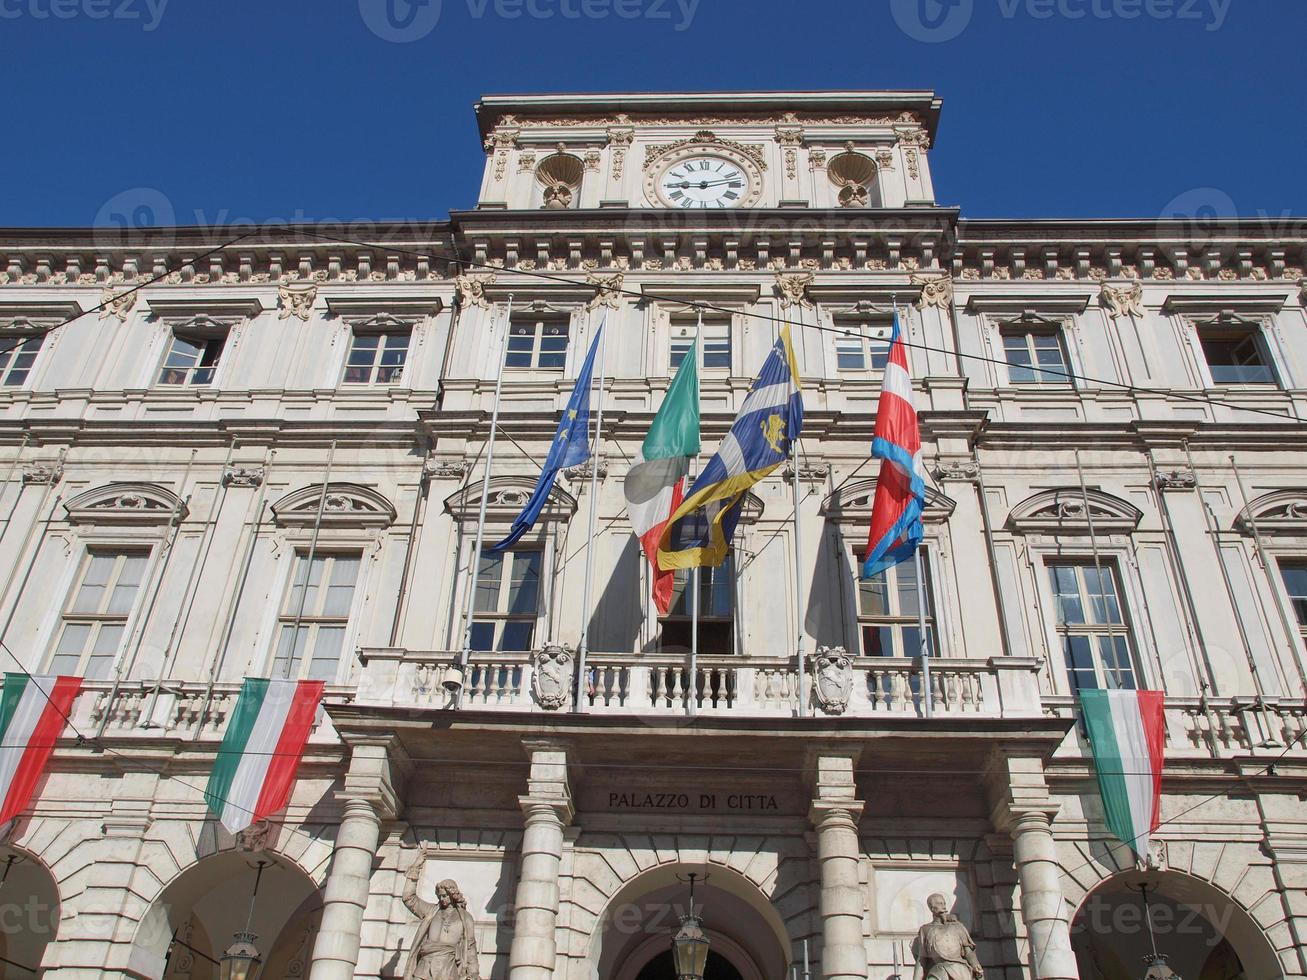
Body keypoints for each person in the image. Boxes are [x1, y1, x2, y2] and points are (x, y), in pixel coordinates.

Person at [402, 858, 481, 980]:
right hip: (425, 964)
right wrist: (415, 868)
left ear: (452, 894)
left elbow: (470, 946)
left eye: (445, 895)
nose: (442, 898)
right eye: (439, 896)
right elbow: (408, 898)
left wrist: (473, 973)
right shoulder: (431, 911)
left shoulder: (465, 918)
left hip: (448, 966)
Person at [912, 893, 983, 980]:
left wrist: (975, 965)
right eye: (939, 903)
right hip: (938, 971)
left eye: (944, 903)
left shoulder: (957, 926)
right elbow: (922, 959)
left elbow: (968, 952)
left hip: (960, 970)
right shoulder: (925, 930)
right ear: (932, 908)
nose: (943, 906)